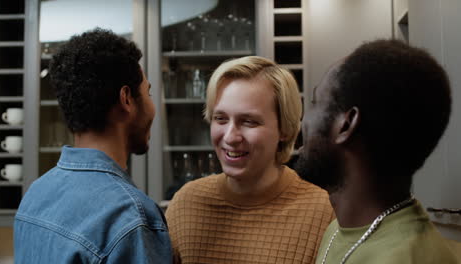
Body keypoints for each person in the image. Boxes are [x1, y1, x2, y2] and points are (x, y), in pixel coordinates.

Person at [295, 39, 461, 263]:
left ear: (345, 124)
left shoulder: (402, 257)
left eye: (315, 102)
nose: (303, 121)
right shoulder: (342, 228)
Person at [14, 28, 172, 263]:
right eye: (148, 93)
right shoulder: (129, 216)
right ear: (126, 99)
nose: (152, 107)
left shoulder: (36, 194)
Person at [165, 56, 334, 264]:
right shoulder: (185, 204)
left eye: (249, 122)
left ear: (285, 129)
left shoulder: (324, 213)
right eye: (220, 119)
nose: (229, 137)